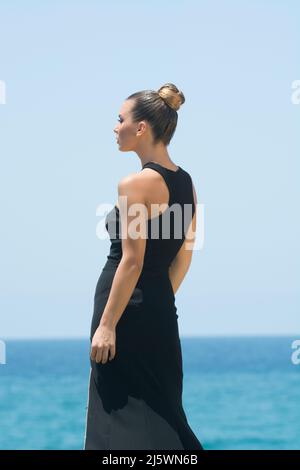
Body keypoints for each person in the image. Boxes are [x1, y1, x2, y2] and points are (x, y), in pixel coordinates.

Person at [83, 82, 203, 450]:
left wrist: (107, 324)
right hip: (158, 310)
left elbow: (132, 260)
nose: (115, 127)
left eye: (120, 120)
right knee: (163, 410)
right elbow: (186, 251)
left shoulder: (134, 185)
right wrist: (157, 300)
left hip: (122, 314)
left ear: (141, 128)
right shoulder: (187, 183)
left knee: (117, 415)